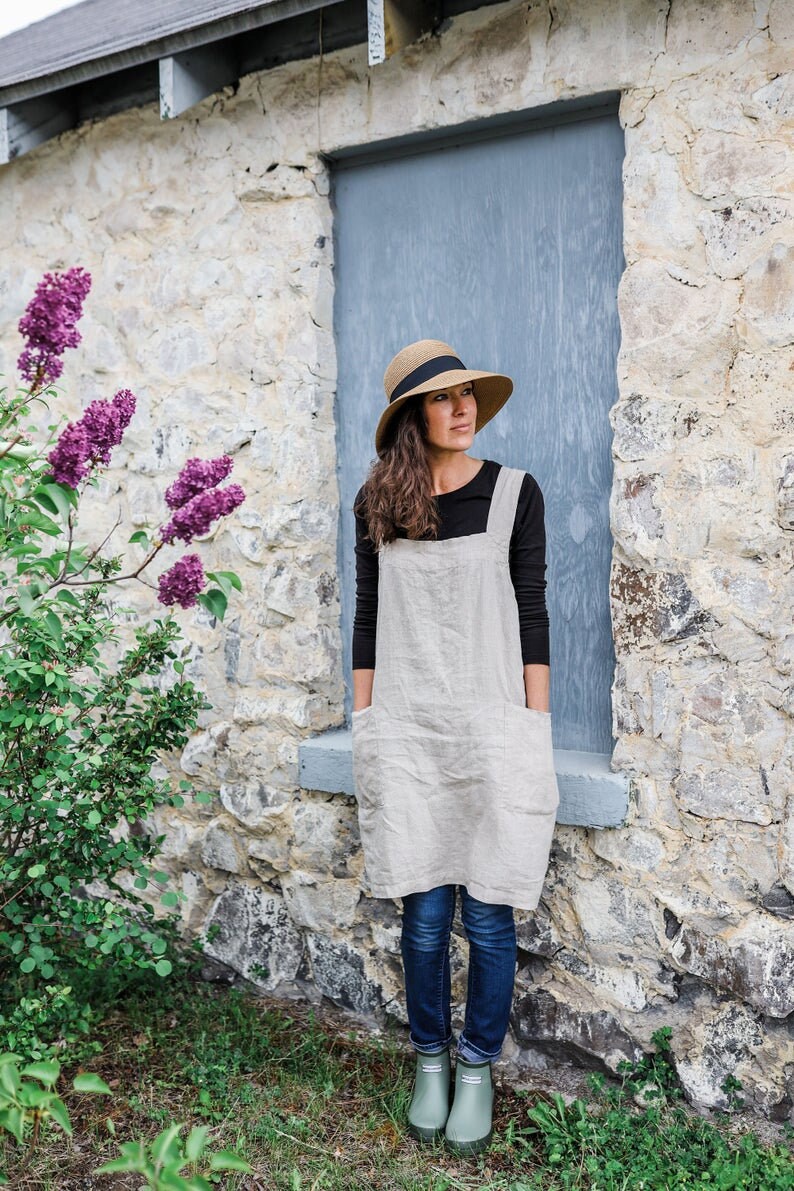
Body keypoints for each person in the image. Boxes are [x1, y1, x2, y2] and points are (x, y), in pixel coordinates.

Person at [351, 339, 559, 1155]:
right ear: (414, 416)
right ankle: (430, 1060)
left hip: (492, 726)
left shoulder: (514, 495)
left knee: (490, 916)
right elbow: (367, 620)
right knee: (426, 918)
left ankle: (477, 1066)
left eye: (468, 393)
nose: (464, 406)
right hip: (407, 732)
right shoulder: (376, 504)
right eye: (444, 397)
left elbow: (533, 613)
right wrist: (365, 722)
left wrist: (533, 729)